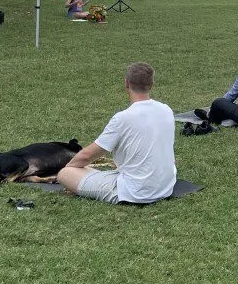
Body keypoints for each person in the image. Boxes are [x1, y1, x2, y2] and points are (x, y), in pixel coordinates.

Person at [56, 62, 177, 204]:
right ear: (151, 84)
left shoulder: (122, 118)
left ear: (126, 83)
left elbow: (87, 156)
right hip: (166, 185)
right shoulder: (166, 110)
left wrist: (70, 167)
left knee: (65, 174)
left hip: (134, 192)